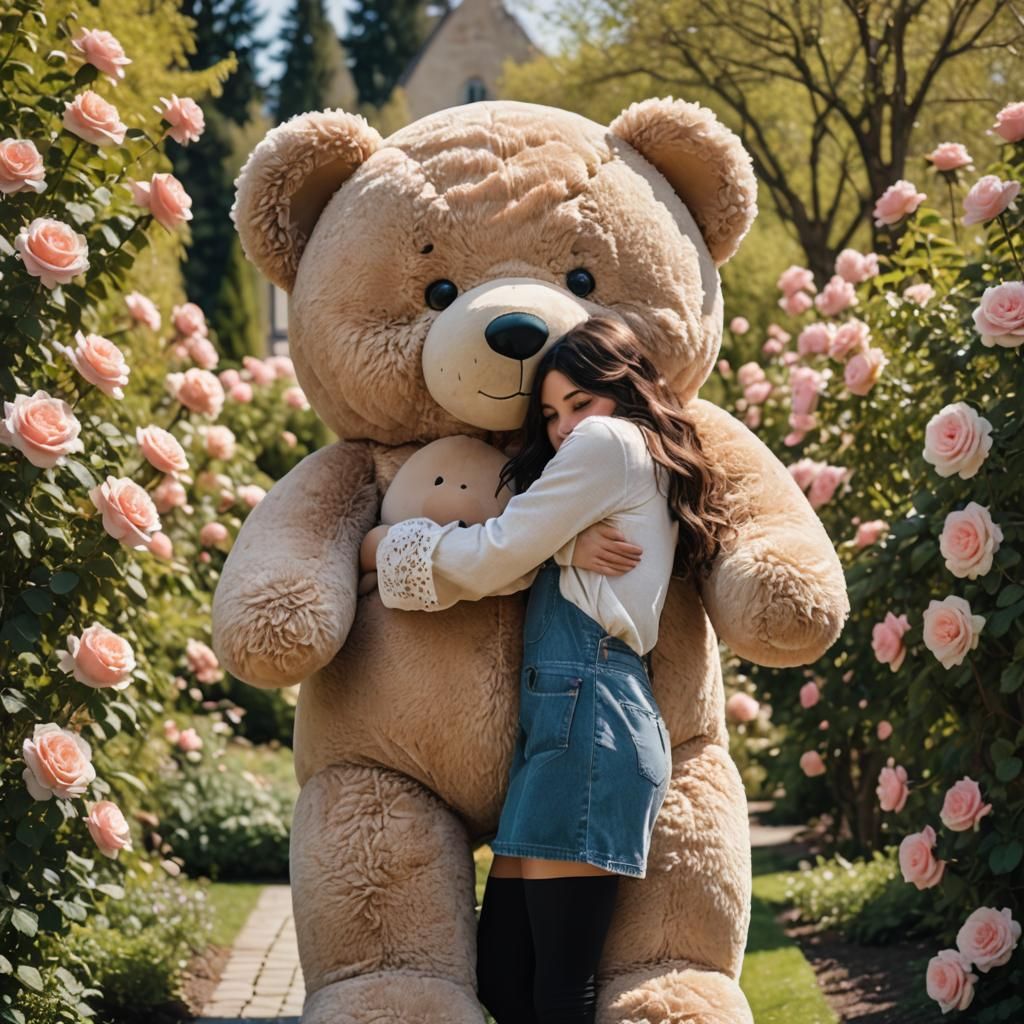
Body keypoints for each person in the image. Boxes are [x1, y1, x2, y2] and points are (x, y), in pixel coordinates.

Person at [370, 316, 737, 1023]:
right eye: (550, 413)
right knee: (507, 976)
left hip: (589, 714)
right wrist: (563, 549)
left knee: (558, 993)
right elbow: (537, 546)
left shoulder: (609, 442)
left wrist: (387, 547)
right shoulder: (632, 457)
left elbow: (498, 553)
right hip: (569, 722)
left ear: (621, 394)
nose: (566, 428)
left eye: (580, 403)